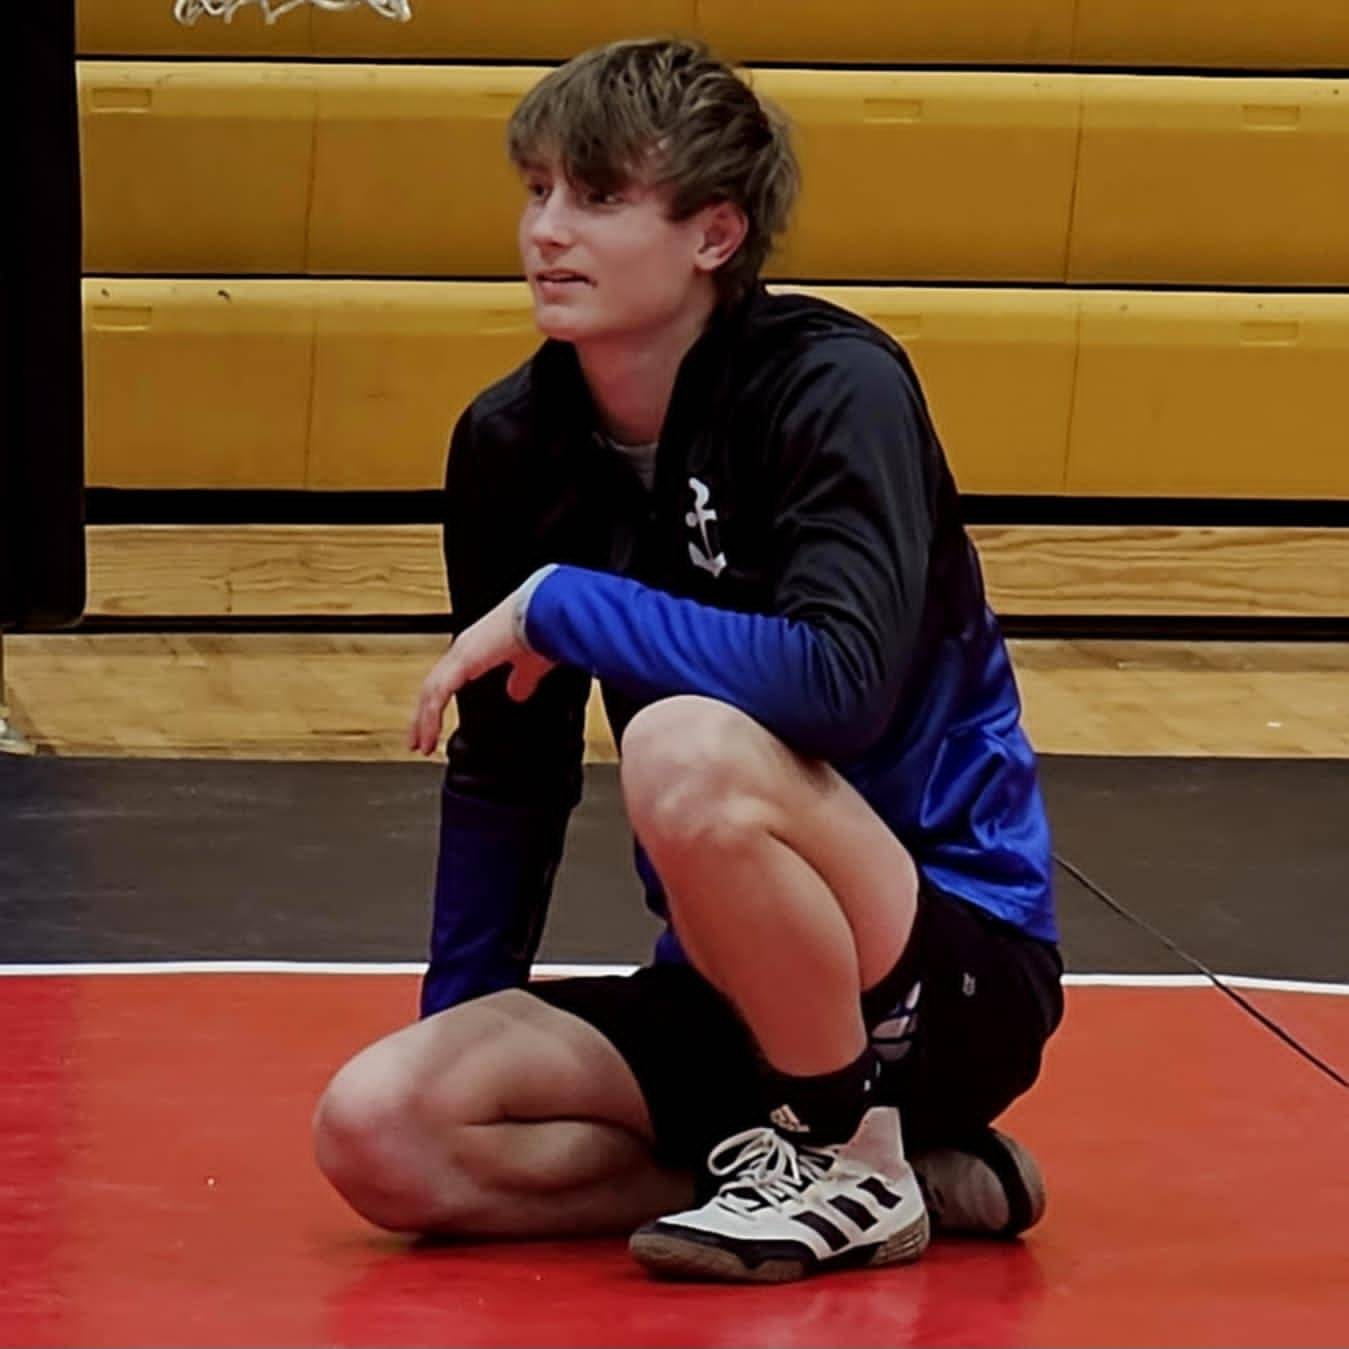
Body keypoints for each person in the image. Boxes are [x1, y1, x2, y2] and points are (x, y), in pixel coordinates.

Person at [312, 36, 1063, 1284]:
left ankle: (851, 1156)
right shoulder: (513, 441)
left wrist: (566, 603)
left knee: (682, 741)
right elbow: (507, 775)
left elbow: (836, 685)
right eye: (537, 190)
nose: (547, 230)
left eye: (600, 196)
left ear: (714, 234)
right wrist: (463, 1022)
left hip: (946, 969)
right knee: (380, 1127)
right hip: (733, 985)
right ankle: (903, 1177)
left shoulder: (835, 387)